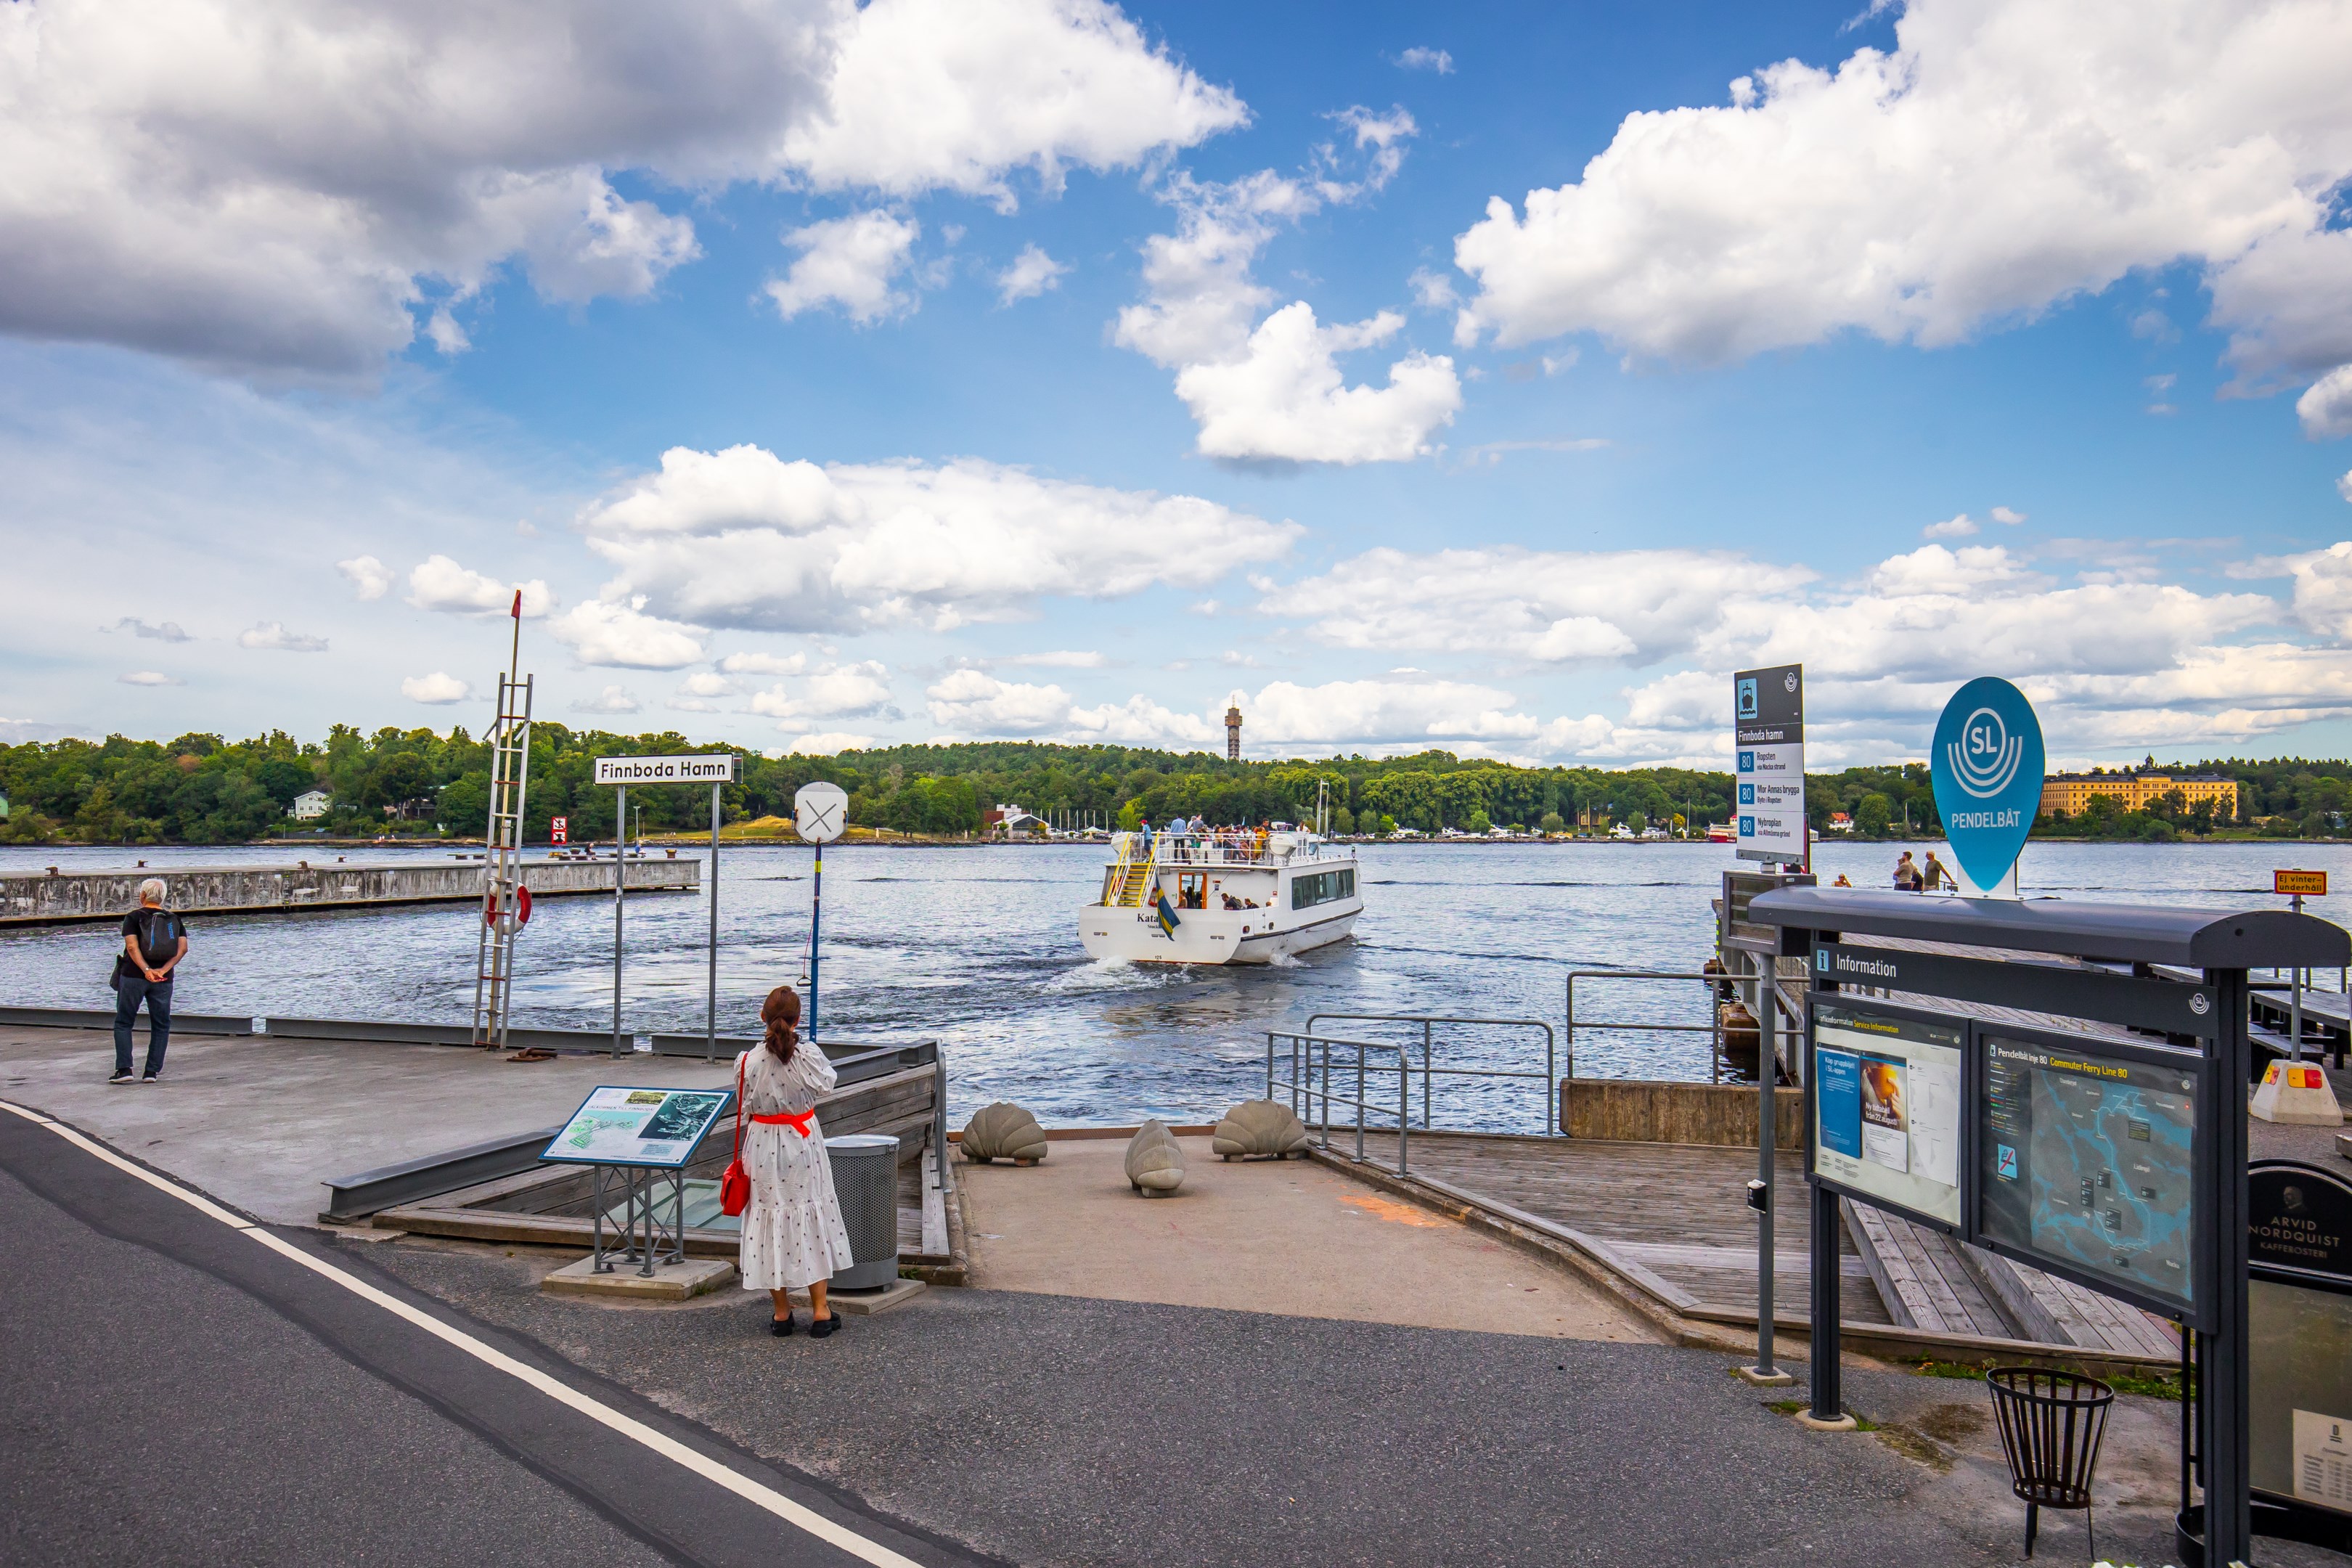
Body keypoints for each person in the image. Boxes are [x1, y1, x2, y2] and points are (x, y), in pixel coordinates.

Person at [736, 986, 856, 1338]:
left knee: (770, 1219)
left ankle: (781, 1313)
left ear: (762, 1017)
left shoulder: (747, 1061)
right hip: (802, 1142)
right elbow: (827, 1085)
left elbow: (744, 1104)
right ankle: (820, 1311)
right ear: (798, 1020)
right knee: (811, 1217)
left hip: (762, 1145)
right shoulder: (808, 1055)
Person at [112, 878, 186, 1084]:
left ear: (143, 896)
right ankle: (151, 1072)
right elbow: (183, 949)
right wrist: (162, 970)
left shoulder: (133, 917)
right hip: (163, 979)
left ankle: (124, 1070)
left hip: (133, 976)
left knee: (124, 1021)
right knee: (161, 1024)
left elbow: (132, 947)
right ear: (163, 897)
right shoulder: (174, 919)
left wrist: (146, 970)